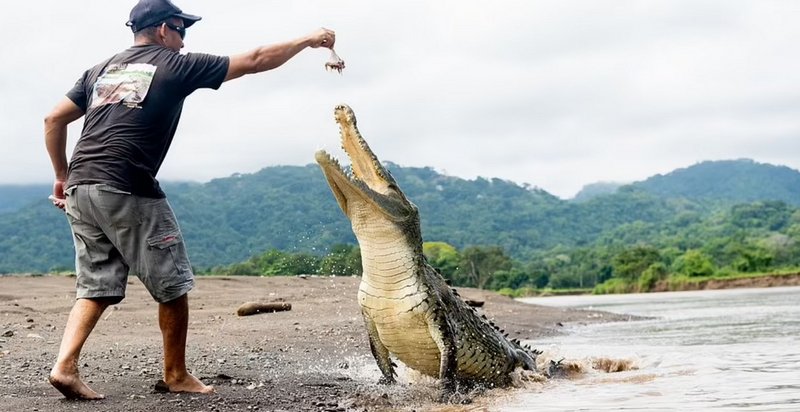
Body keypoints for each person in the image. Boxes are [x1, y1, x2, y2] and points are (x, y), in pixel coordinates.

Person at [44, 0, 335, 400]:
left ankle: (65, 367)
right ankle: (176, 374)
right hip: (127, 185)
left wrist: (61, 176)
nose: (183, 42)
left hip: (82, 185)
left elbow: (53, 119)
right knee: (173, 285)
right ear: (164, 30)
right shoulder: (173, 64)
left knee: (95, 286)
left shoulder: (101, 70)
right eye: (182, 31)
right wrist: (308, 39)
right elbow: (254, 59)